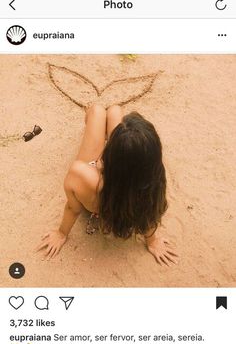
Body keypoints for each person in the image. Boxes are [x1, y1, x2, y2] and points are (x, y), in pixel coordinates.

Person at [36, 104, 178, 266]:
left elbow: (73, 208)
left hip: (99, 186)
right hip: (120, 181)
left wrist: (61, 233)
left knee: (97, 111)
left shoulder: (81, 174)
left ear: (109, 155)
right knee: (115, 111)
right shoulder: (152, 179)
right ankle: (121, 137)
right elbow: (149, 215)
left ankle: (106, 122)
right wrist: (152, 241)